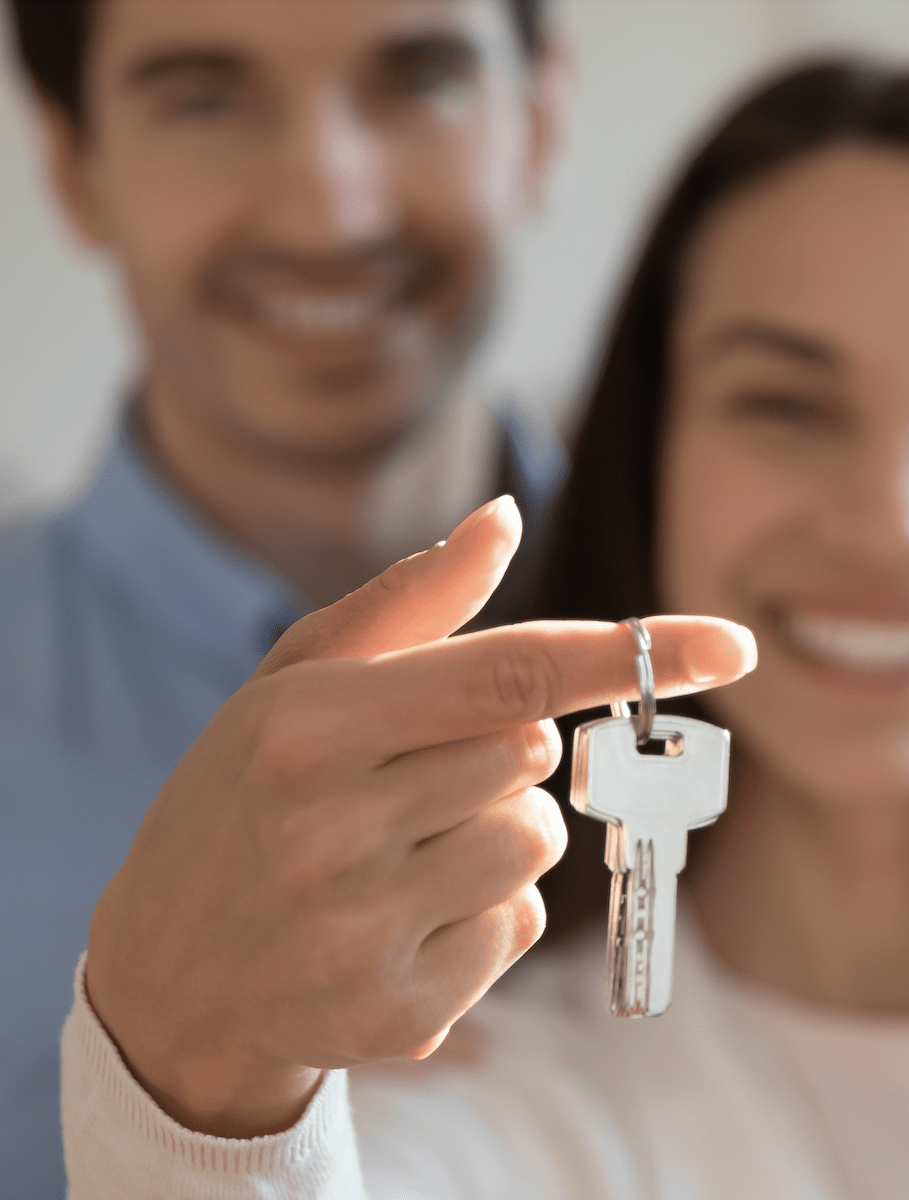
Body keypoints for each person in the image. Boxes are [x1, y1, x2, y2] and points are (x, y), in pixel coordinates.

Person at [60, 59, 909, 1200]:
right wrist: (198, 1105)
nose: (894, 521)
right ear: (651, 451)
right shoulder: (466, 1086)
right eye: (785, 405)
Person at [0, 0, 569, 1193]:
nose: (331, 210)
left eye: (416, 81)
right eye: (205, 98)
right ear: (72, 161)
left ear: (540, 119)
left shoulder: (804, 666)